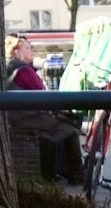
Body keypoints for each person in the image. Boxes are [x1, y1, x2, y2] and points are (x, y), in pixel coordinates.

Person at [6, 36, 82, 183]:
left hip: (15, 115)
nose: (32, 51)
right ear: (17, 52)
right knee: (69, 128)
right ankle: (76, 175)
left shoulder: (8, 66)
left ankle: (62, 172)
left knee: (62, 126)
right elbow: (42, 94)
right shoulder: (23, 70)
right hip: (27, 117)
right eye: (28, 48)